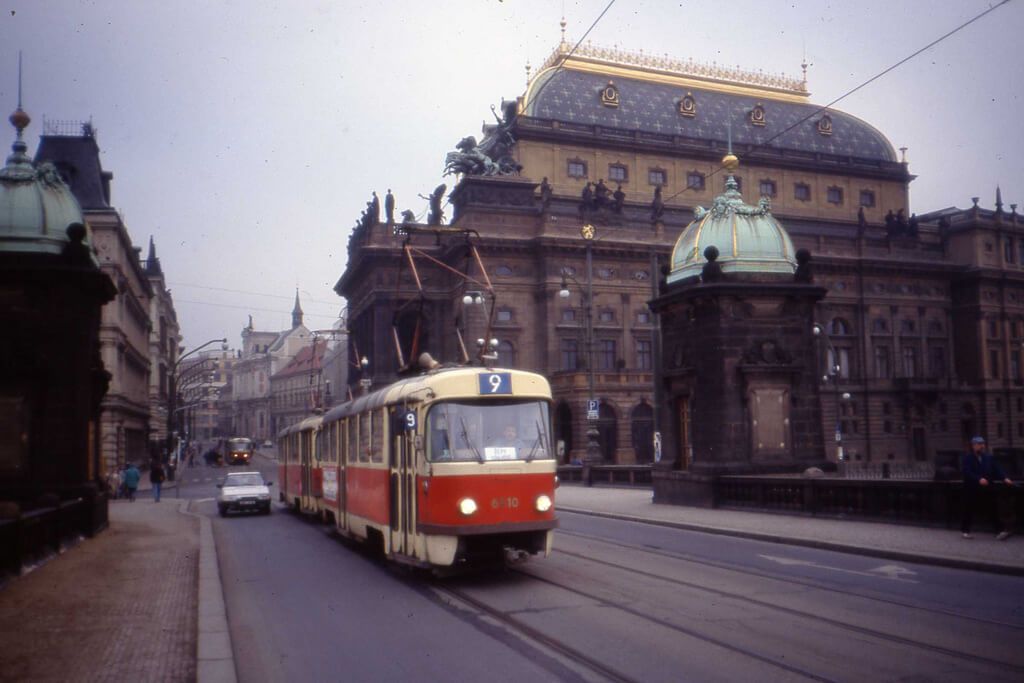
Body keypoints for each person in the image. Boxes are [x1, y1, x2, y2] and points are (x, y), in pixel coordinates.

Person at [961, 436, 1013, 539]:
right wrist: (978, 479)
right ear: (973, 446)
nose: (982, 446)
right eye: (979, 444)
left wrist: (1005, 478)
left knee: (993, 508)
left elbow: (997, 469)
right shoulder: (967, 458)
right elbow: (967, 472)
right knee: (969, 509)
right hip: (973, 488)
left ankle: (1000, 531)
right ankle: (965, 531)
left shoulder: (988, 457)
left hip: (988, 487)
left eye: (983, 444)